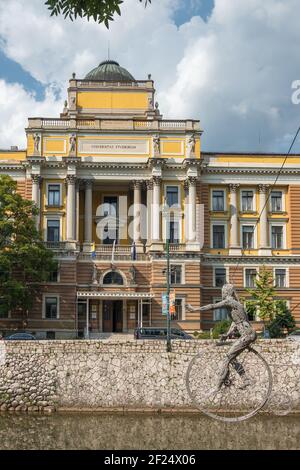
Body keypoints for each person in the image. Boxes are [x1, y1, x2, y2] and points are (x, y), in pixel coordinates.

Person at [187, 283, 256, 391]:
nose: (222, 293)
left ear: (226, 292)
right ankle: (246, 380)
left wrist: (195, 310)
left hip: (247, 335)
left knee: (227, 357)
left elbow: (212, 306)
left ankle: (217, 386)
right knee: (232, 358)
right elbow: (236, 323)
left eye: (222, 291)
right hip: (248, 334)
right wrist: (227, 334)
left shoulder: (229, 301)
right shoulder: (236, 304)